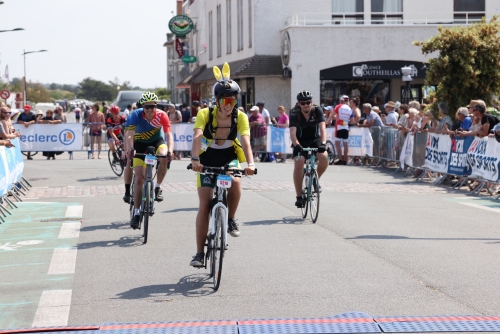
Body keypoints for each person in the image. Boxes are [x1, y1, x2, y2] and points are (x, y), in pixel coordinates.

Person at [188, 62, 255, 267]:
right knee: (205, 204)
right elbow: (198, 136)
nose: (229, 104)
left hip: (228, 156)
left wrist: (250, 163)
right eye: (225, 100)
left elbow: (245, 140)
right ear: (217, 101)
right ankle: (199, 253)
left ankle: (231, 218)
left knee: (235, 181)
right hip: (206, 158)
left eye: (232, 100)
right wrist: (195, 160)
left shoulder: (240, 116)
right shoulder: (205, 114)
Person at [124, 92, 174, 229]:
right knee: (140, 179)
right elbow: (129, 135)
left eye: (152, 106)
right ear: (143, 107)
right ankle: (136, 213)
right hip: (139, 143)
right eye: (147, 107)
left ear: (156, 106)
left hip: (156, 141)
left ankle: (157, 187)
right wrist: (130, 148)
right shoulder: (136, 115)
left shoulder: (161, 115)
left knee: (163, 156)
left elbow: (169, 134)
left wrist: (170, 150)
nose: (150, 110)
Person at [290, 90, 328, 207]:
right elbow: (292, 133)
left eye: (308, 102)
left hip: (315, 140)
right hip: (300, 141)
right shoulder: (294, 114)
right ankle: (299, 196)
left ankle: (316, 179)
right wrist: (297, 145)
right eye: (303, 103)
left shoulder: (317, 111)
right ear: (299, 104)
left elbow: (322, 128)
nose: (306, 105)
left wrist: (323, 143)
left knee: (324, 157)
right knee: (299, 162)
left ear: (311, 102)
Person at [327, 95, 353, 165]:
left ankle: (340, 159)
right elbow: (352, 121)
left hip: (339, 127)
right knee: (345, 144)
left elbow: (332, 115)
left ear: (341, 101)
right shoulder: (350, 109)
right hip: (346, 127)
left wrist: (327, 121)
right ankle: (345, 160)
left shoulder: (338, 106)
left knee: (337, 143)